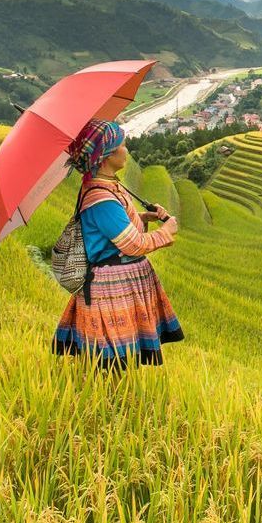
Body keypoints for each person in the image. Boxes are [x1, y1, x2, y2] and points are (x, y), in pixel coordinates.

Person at [50, 118, 184, 369]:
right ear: (106, 155)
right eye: (122, 145)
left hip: (122, 282)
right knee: (113, 363)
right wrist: (166, 231)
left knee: (123, 358)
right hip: (111, 288)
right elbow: (131, 245)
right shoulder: (101, 198)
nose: (126, 150)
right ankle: (110, 403)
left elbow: (115, 231)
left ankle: (118, 400)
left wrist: (143, 217)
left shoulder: (110, 186)